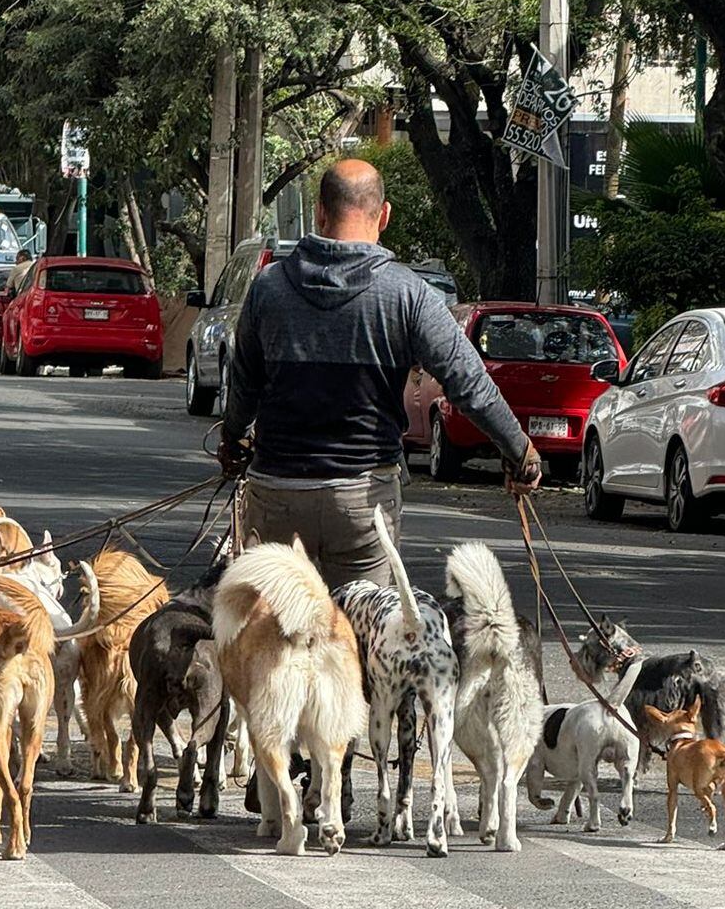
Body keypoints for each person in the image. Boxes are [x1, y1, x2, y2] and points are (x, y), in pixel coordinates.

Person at [217, 158, 541, 589]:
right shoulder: (408, 294)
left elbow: (244, 384)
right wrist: (520, 452)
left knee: (274, 639)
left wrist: (234, 437)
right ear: (383, 214)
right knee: (364, 638)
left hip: (278, 494)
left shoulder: (268, 288)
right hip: (362, 502)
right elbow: (469, 383)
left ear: (319, 212)